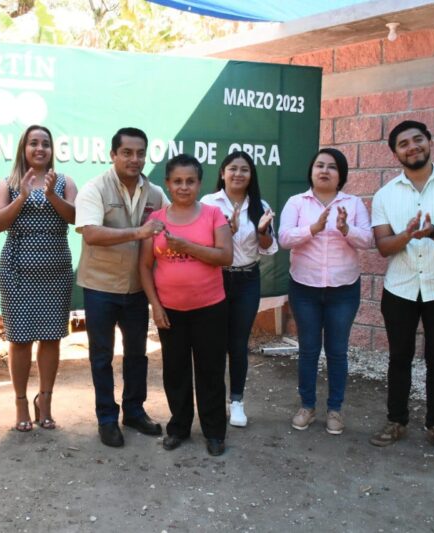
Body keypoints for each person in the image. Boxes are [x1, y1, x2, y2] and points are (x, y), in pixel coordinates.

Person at [369, 121, 434, 456]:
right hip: (400, 289)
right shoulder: (385, 195)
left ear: (429, 142)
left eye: (418, 140)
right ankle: (396, 420)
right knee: (399, 357)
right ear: (395, 153)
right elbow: (384, 247)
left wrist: (431, 232)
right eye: (403, 144)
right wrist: (408, 234)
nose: (412, 147)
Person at [74, 127, 169, 448]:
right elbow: (91, 233)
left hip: (136, 288)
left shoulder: (154, 193)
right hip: (100, 287)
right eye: (127, 152)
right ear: (113, 154)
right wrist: (138, 232)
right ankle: (106, 418)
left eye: (140, 153)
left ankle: (133, 411)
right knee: (101, 355)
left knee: (136, 354)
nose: (134, 159)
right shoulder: (95, 188)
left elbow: (172, 223)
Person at [139, 154, 232, 456]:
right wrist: (155, 305)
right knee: (175, 371)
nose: (183, 187)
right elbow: (144, 267)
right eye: (177, 181)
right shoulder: (155, 222)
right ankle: (178, 427)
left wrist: (187, 246)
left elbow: (225, 257)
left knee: (210, 371)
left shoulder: (213, 215)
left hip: (210, 308)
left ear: (199, 183)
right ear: (167, 183)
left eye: (190, 181)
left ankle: (215, 432)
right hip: (171, 311)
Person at [278, 148, 373, 435]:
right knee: (308, 350)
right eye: (319, 165)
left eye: (332, 167)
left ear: (340, 175)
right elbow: (283, 238)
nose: (324, 170)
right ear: (311, 170)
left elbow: (367, 240)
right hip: (304, 288)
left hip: (343, 290)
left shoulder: (353, 204)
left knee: (337, 351)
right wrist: (313, 228)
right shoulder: (296, 203)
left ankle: (335, 409)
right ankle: (307, 405)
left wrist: (346, 229)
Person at [0, 125, 77, 431]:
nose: (40, 149)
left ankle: (46, 401)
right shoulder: (8, 183)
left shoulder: (64, 182)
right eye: (33, 143)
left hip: (56, 271)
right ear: (23, 148)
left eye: (45, 144)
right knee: (20, 339)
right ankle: (20, 403)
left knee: (52, 337)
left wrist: (51, 194)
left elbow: (76, 217)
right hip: (17, 272)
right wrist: (22, 197)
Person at [200, 151, 277, 427]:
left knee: (238, 344)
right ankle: (214, 401)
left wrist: (264, 233)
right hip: (215, 277)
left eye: (244, 170)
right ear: (222, 173)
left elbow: (267, 249)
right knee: (214, 343)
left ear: (251, 176)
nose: (238, 174)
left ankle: (237, 401)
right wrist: (226, 233)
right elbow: (201, 245)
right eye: (232, 168)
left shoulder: (260, 206)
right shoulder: (208, 204)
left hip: (246, 280)